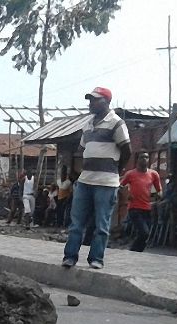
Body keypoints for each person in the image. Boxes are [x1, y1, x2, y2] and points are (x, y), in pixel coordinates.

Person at [61, 86, 131, 269]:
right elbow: (82, 150)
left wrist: (116, 169)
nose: (91, 103)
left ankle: (96, 258)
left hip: (106, 183)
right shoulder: (88, 125)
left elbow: (127, 150)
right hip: (85, 181)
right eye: (90, 100)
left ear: (107, 101)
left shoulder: (116, 123)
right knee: (76, 223)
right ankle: (70, 257)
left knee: (101, 224)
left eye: (95, 100)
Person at [120, 152, 163, 252]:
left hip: (147, 209)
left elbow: (159, 189)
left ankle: (137, 253)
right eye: (142, 157)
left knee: (145, 234)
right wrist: (126, 195)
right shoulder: (130, 174)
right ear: (137, 160)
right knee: (144, 232)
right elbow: (120, 186)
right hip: (134, 208)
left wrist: (159, 195)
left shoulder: (153, 174)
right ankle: (133, 251)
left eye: (146, 157)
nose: (144, 159)